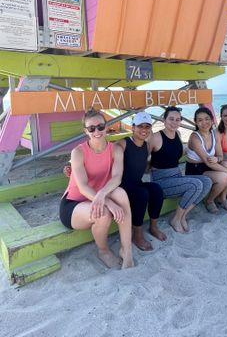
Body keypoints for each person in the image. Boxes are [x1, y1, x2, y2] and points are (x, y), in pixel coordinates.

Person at [59, 108, 134, 269]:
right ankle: (103, 251)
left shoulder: (115, 149)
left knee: (121, 194)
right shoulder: (78, 152)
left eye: (100, 126)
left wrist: (102, 195)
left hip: (98, 195)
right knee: (103, 213)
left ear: (107, 126)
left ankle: (126, 250)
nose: (97, 131)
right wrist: (107, 202)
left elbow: (116, 178)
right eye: (91, 128)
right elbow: (83, 187)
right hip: (74, 204)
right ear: (85, 131)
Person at [149, 106, 212, 233]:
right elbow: (144, 158)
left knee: (207, 181)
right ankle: (176, 219)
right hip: (161, 181)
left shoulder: (177, 134)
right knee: (195, 184)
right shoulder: (155, 137)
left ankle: (182, 215)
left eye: (177, 120)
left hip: (177, 177)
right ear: (164, 120)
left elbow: (175, 152)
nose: (174, 122)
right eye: (171, 119)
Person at [116, 111, 167, 251]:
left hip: (136, 184)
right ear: (133, 127)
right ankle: (137, 234)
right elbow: (106, 156)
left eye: (147, 126)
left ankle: (153, 227)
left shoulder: (146, 145)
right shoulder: (123, 143)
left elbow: (143, 164)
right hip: (121, 187)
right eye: (140, 126)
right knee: (142, 194)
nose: (144, 130)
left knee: (156, 189)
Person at [185, 107, 227, 214]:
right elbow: (208, 162)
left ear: (212, 120)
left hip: (208, 166)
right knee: (224, 177)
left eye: (207, 119)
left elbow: (220, 156)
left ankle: (222, 198)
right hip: (195, 170)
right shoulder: (195, 138)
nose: (204, 123)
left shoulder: (214, 134)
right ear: (195, 122)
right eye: (200, 120)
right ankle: (209, 201)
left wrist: (217, 158)